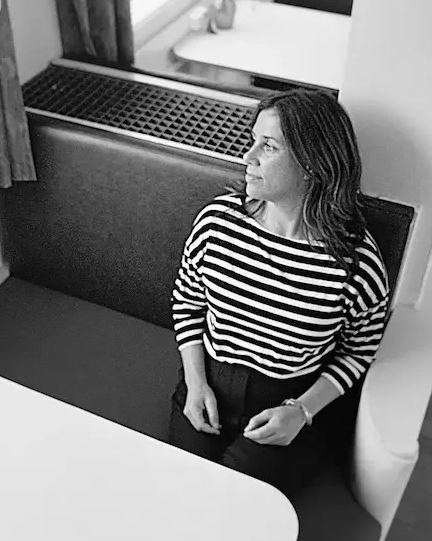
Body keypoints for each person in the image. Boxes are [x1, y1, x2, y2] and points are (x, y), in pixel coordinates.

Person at [167, 88, 390, 498]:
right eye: (252, 141)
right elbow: (187, 302)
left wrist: (300, 412)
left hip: (288, 403)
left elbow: (358, 352)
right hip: (207, 383)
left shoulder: (356, 264)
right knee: (178, 489)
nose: (247, 157)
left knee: (231, 505)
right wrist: (195, 384)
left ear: (312, 164)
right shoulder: (217, 222)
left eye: (267, 147)